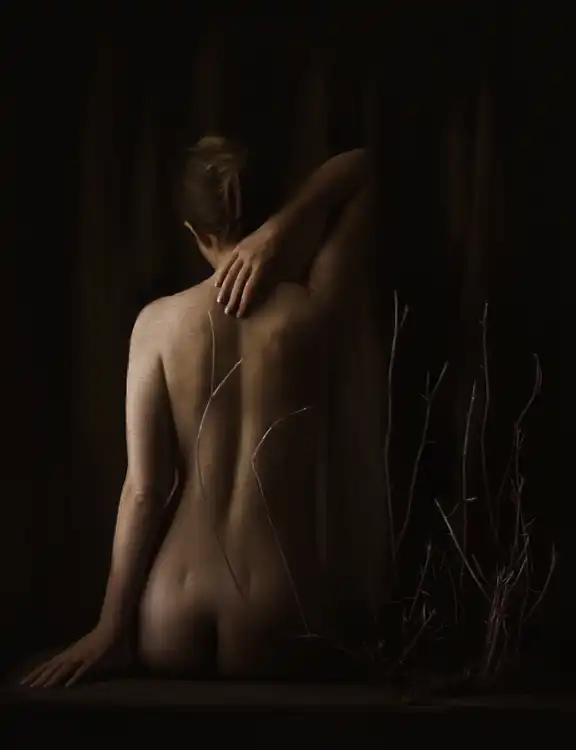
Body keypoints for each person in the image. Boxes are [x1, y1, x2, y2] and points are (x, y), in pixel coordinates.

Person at [22, 136, 383, 687]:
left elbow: (145, 490)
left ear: (194, 231)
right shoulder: (313, 310)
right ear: (267, 213)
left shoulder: (155, 325)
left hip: (169, 606)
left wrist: (109, 628)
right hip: (279, 607)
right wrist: (281, 229)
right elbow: (364, 169)